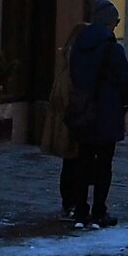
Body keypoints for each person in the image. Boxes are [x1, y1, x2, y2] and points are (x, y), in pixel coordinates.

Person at [64, 0, 128, 229]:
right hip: (107, 112)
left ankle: (80, 210)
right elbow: (124, 81)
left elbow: (73, 75)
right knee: (104, 164)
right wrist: (123, 103)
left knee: (82, 162)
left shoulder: (79, 45)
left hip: (83, 110)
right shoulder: (112, 48)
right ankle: (98, 211)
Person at [42, 18, 91, 223]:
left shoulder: (67, 61)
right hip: (74, 115)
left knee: (71, 162)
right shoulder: (76, 62)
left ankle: (69, 201)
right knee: (75, 161)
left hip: (69, 115)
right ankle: (72, 201)